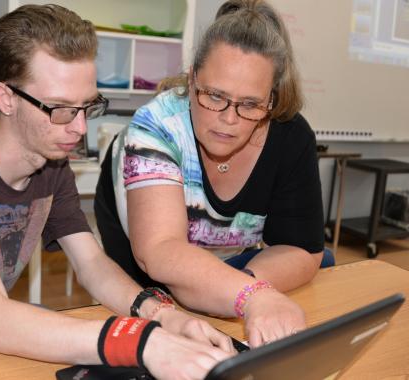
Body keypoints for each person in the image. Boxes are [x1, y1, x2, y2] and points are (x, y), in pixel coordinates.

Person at [0, 4, 234, 379]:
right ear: (6, 98)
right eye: (59, 109)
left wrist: (161, 315)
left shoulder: (52, 164)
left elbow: (91, 265)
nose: (79, 129)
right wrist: (140, 341)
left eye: (86, 107)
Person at [94, 0, 325, 348]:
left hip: (228, 267)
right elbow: (159, 250)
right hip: (141, 259)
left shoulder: (292, 137)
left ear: (272, 100)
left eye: (250, 104)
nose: (229, 120)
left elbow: (303, 249)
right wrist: (249, 296)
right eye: (215, 96)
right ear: (192, 80)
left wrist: (242, 287)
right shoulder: (157, 124)